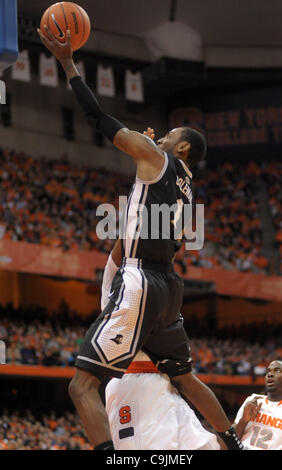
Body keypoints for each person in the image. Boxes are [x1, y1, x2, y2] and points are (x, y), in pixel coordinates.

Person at [37, 26, 243, 451]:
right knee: (184, 376)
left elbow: (99, 119)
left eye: (172, 135)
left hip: (142, 280)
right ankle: (232, 442)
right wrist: (142, 174)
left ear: (182, 149)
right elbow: (174, 240)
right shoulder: (188, 190)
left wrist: (67, 63)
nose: (163, 135)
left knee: (80, 387)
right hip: (170, 286)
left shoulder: (157, 157)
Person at [101, 245, 220, 450]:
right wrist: (135, 221)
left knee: (207, 447)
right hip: (133, 382)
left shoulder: (165, 287)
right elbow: (116, 256)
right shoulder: (118, 284)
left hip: (165, 383)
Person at [234, 360, 282, 450]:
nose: (270, 374)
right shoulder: (252, 400)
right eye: (268, 371)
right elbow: (231, 441)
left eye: (277, 370)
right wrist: (243, 421)